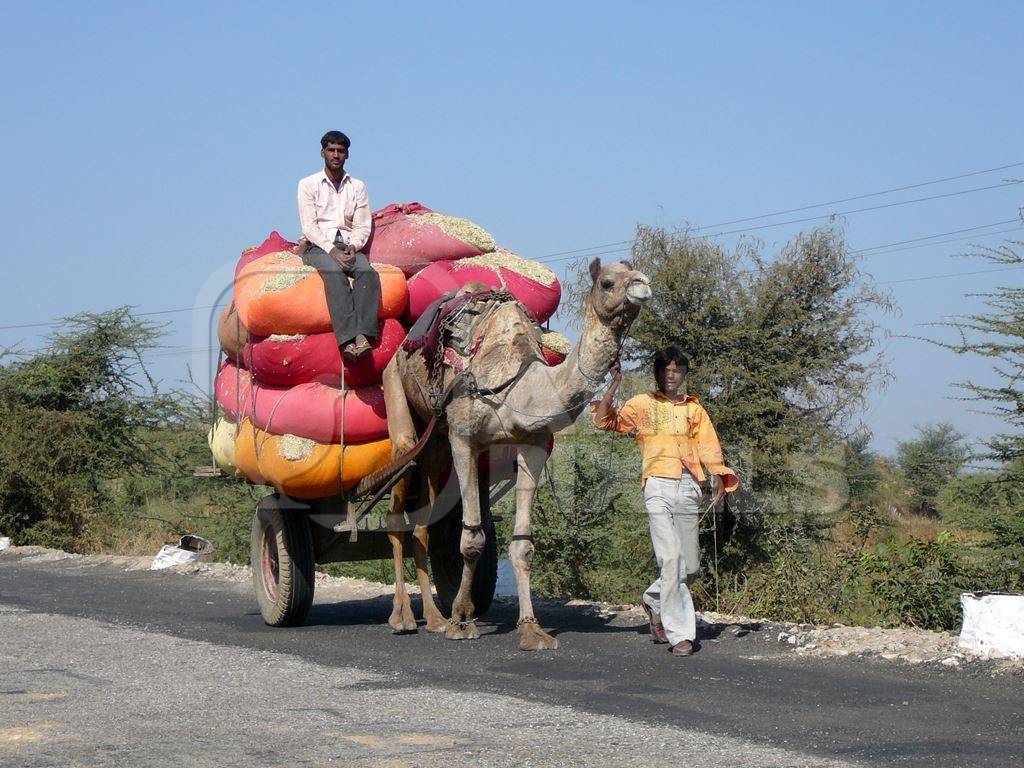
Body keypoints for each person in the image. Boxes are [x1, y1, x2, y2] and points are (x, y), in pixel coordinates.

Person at [592, 346, 739, 657]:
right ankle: (681, 635)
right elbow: (606, 421)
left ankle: (653, 598)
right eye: (664, 369)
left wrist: (717, 477)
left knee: (691, 567)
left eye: (676, 370)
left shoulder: (694, 410)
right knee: (670, 560)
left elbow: (709, 447)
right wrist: (614, 385)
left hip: (688, 487)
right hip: (657, 484)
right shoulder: (642, 404)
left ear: (683, 374)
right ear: (656, 374)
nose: (670, 375)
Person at [295, 130, 378, 359]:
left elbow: (362, 225)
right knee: (334, 274)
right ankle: (347, 340)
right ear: (322, 153)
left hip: (348, 246)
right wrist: (331, 250)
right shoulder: (308, 184)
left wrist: (354, 246)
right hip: (319, 247)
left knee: (367, 273)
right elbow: (309, 227)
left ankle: (363, 335)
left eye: (340, 151)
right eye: (331, 150)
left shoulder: (357, 186)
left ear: (347, 156)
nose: (336, 155)